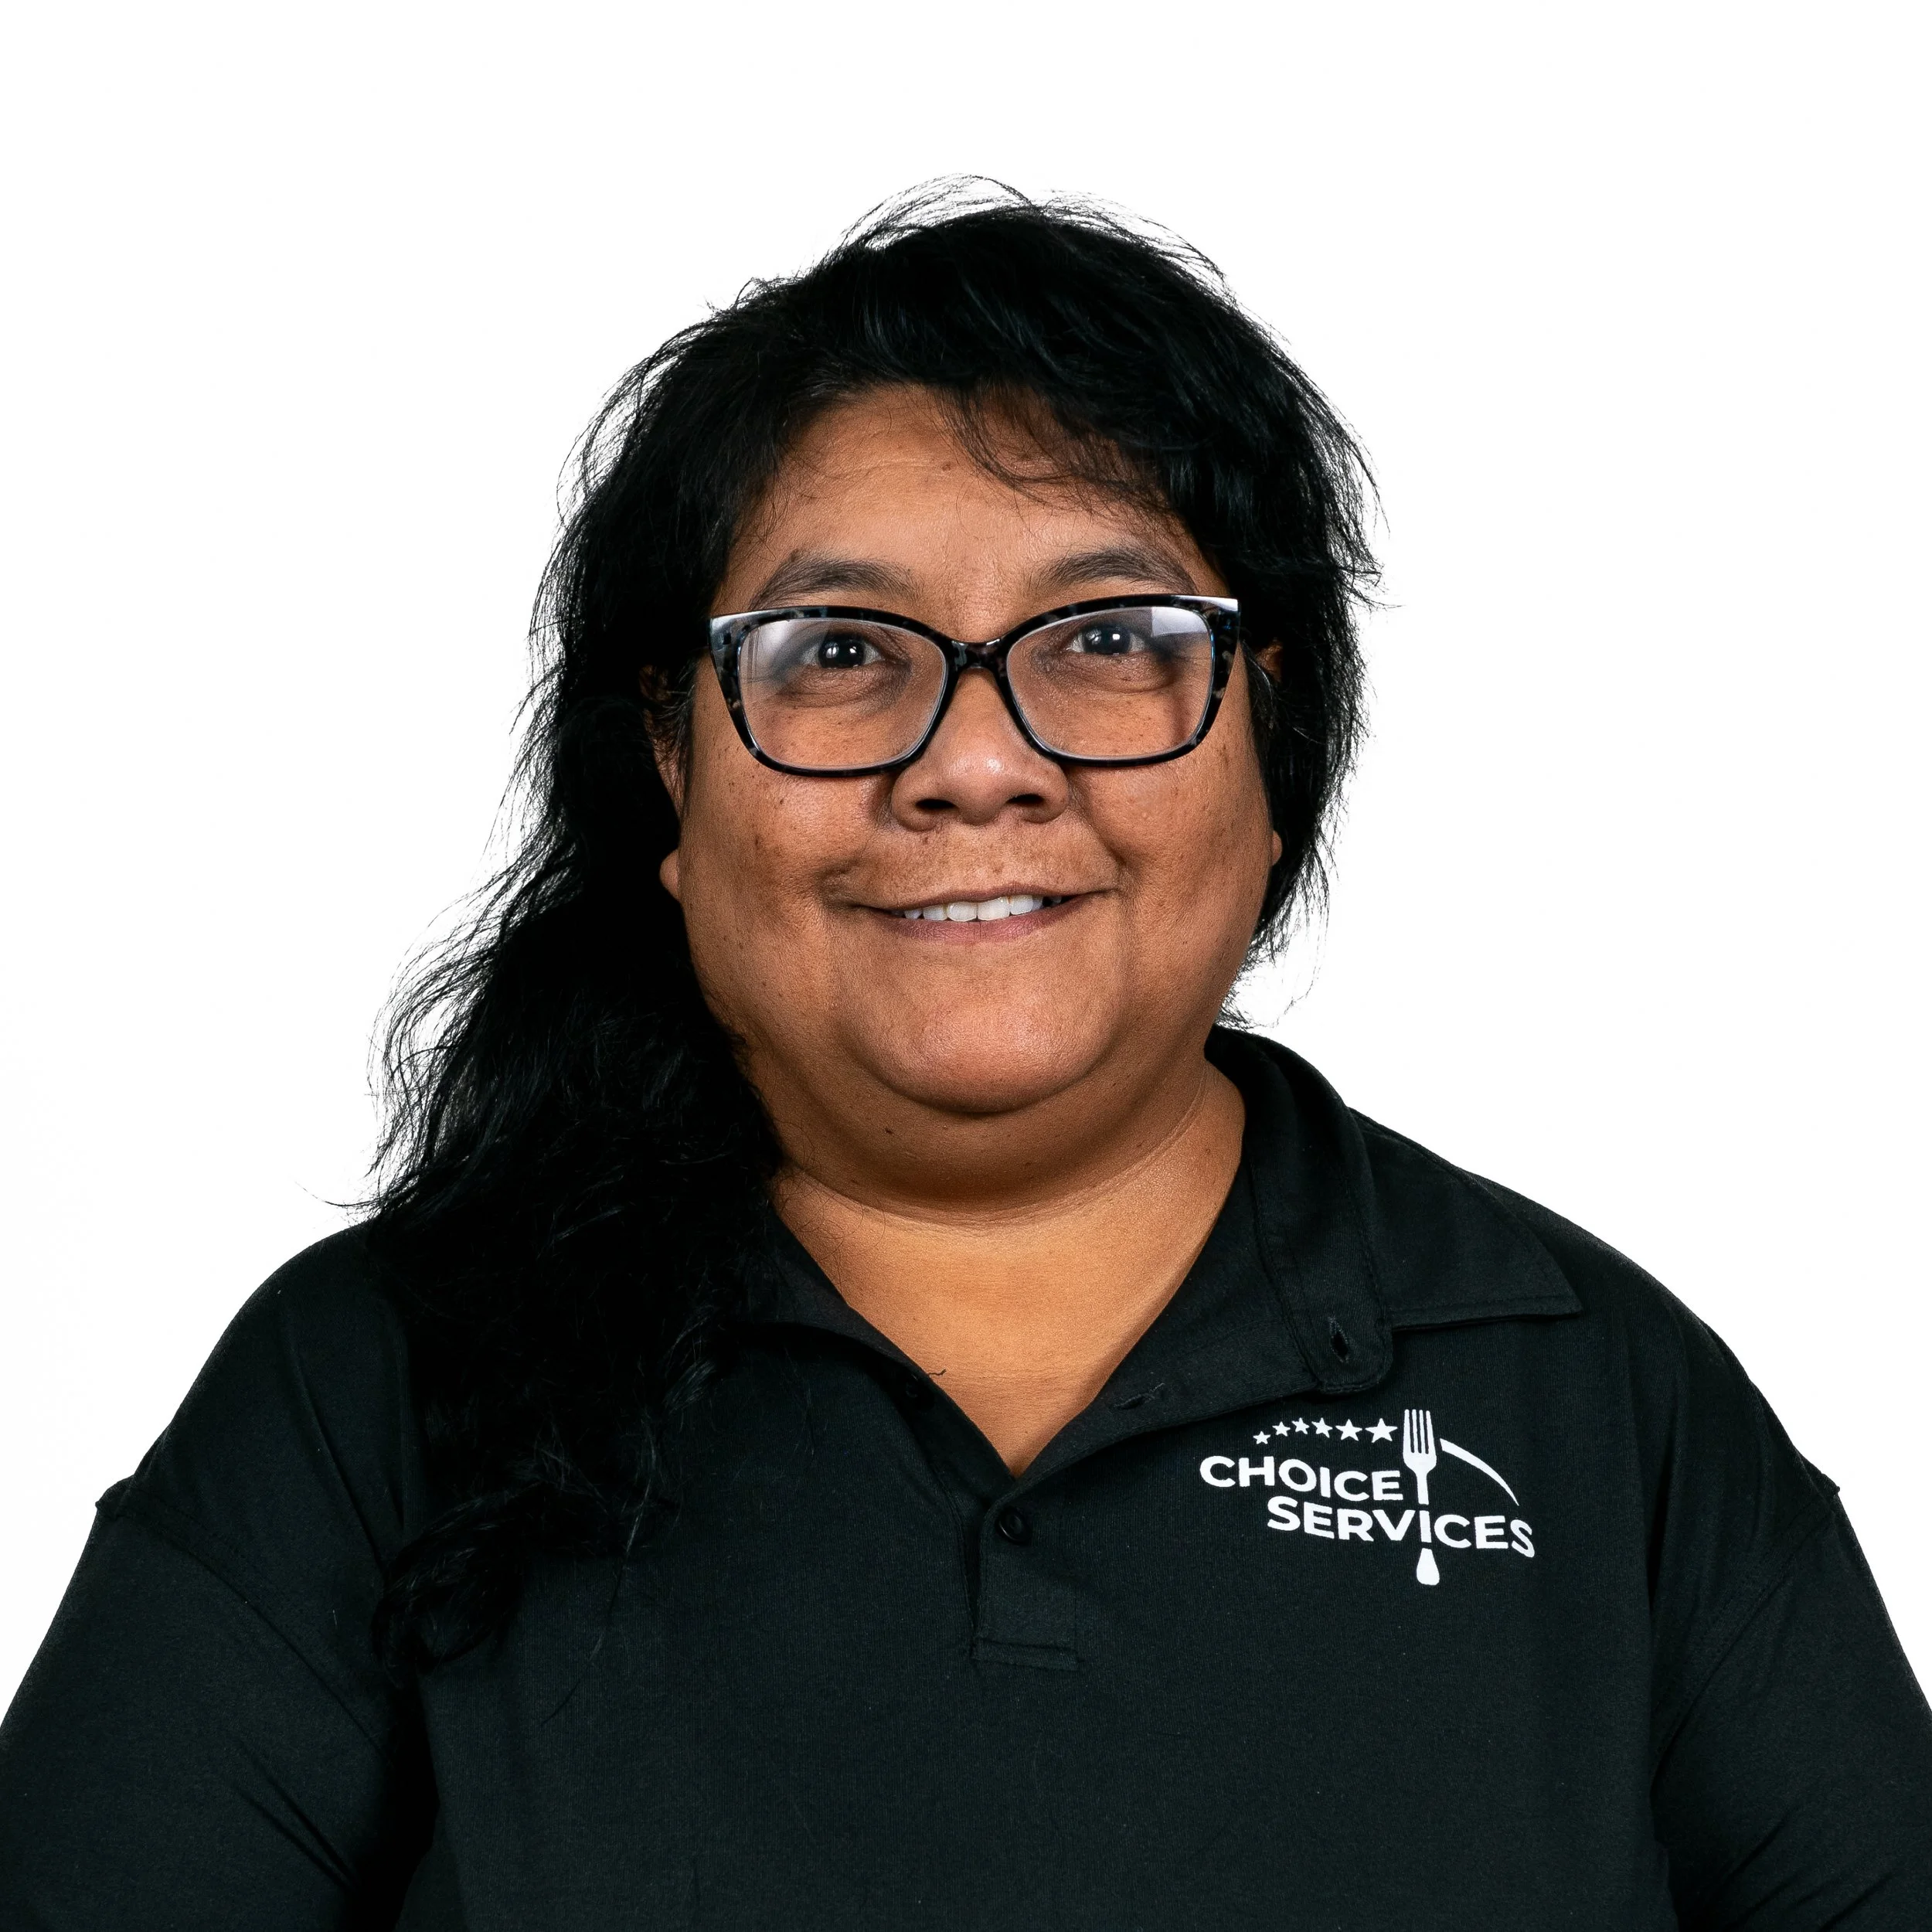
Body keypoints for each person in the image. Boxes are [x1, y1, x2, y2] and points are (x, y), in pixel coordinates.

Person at [2, 187, 1928, 1931]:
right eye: (838, 653)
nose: (976, 760)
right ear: (670, 767)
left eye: (1105, 636)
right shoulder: (369, 1391)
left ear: (1273, 748)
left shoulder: (1597, 1403)